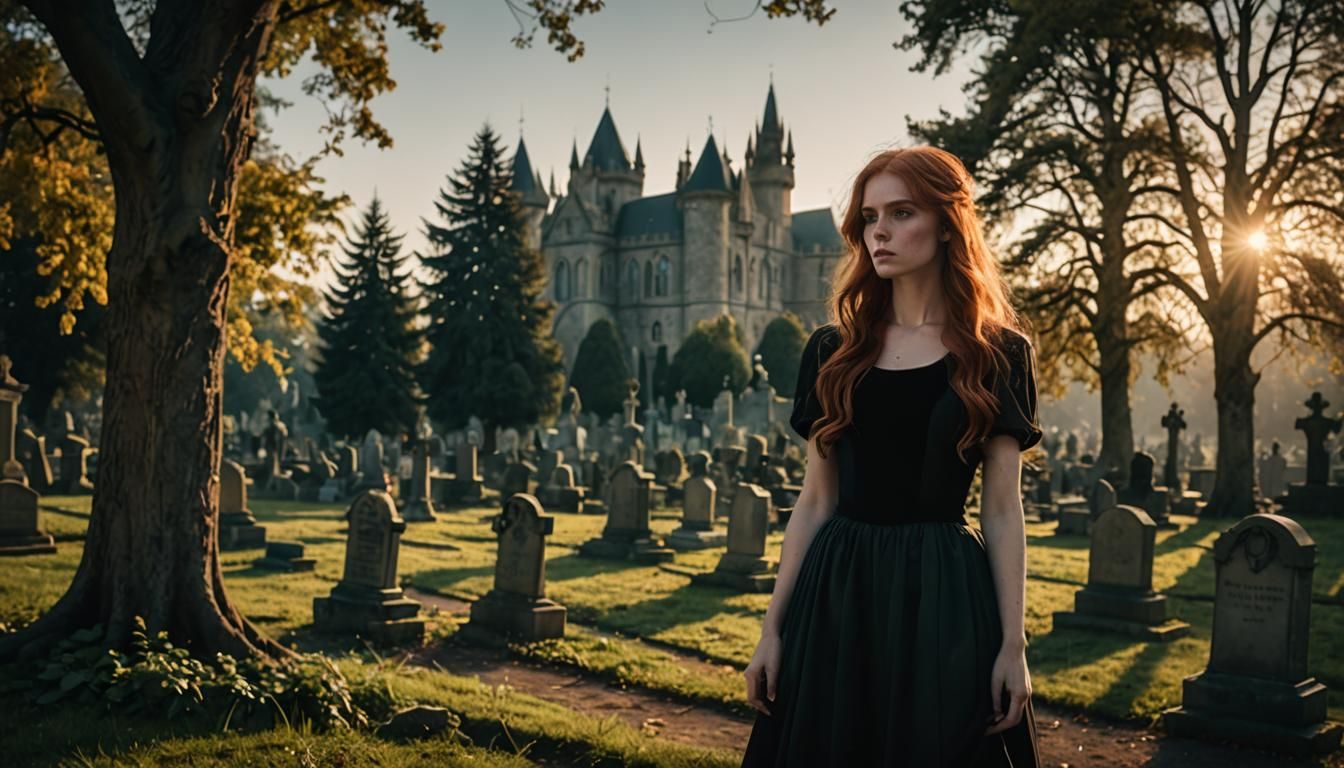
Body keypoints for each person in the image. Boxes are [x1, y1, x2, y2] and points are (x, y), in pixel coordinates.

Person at [740, 146, 1044, 767]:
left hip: (944, 596)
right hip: (836, 597)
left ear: (948, 222)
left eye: (901, 212)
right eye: (870, 216)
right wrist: (773, 630)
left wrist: (1013, 645)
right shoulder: (832, 350)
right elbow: (817, 499)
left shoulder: (998, 353)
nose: (879, 230)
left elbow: (1003, 511)